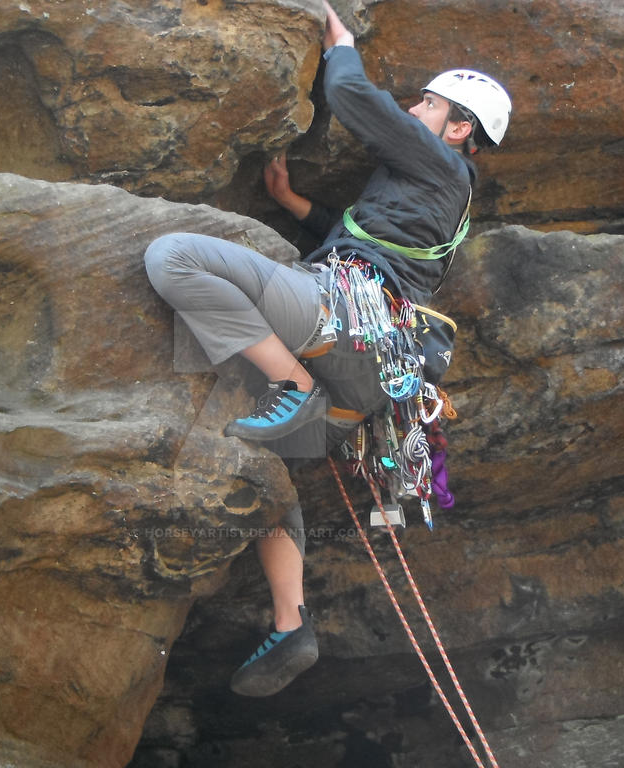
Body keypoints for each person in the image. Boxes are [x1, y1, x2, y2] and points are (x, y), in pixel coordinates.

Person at [144, 1, 510, 697]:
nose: (412, 109)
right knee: (261, 464)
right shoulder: (444, 197)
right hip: (366, 380)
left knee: (174, 257)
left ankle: (293, 385)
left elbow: (349, 96)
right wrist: (292, 205)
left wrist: (338, 41)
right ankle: (292, 623)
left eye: (427, 104)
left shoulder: (440, 163)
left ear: (458, 128)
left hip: (347, 330)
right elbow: (368, 243)